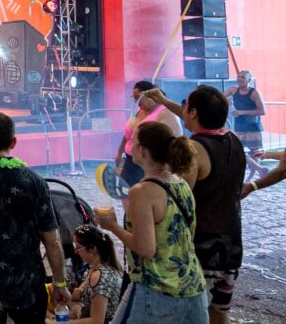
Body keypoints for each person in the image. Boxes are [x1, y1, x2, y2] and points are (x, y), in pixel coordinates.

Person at [143, 86, 244, 324]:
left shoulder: (194, 150)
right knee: (219, 311)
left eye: (185, 106)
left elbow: (180, 200)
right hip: (231, 243)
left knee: (191, 314)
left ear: (194, 113)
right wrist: (165, 101)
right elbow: (195, 119)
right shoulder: (233, 140)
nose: (183, 110)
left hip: (203, 247)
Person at [96, 121, 206, 323]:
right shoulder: (181, 182)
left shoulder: (142, 191)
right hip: (193, 287)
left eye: (133, 141)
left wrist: (111, 226)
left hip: (158, 291)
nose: (129, 145)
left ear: (143, 151)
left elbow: (146, 249)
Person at [0, 112, 70, 324]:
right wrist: (60, 283)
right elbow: (52, 240)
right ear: (14, 142)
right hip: (27, 283)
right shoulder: (34, 181)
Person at [114, 81, 182, 191]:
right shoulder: (138, 110)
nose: (136, 102)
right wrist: (119, 152)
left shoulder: (166, 113)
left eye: (139, 98)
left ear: (150, 96)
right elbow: (127, 134)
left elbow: (176, 141)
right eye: (134, 98)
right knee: (126, 193)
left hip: (150, 164)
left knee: (144, 194)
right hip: (131, 160)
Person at [68, 225, 123, 324]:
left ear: (92, 249)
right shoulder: (95, 269)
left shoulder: (99, 276)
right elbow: (79, 294)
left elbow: (97, 321)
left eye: (78, 247)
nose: (75, 251)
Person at [225, 70, 266, 180]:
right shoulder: (233, 90)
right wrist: (228, 103)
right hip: (239, 127)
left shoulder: (254, 93)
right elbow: (221, 97)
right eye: (238, 76)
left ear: (248, 80)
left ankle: (250, 178)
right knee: (237, 150)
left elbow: (262, 111)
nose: (239, 78)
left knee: (255, 152)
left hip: (253, 126)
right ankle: (260, 169)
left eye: (242, 77)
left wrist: (241, 112)